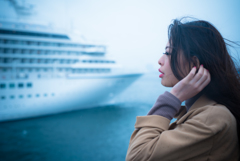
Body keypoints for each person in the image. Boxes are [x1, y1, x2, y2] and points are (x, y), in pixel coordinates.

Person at [126, 18, 240, 161]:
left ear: (194, 64)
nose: (160, 60)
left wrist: (173, 97)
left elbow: (136, 156)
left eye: (168, 53)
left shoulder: (213, 116)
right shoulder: (200, 112)